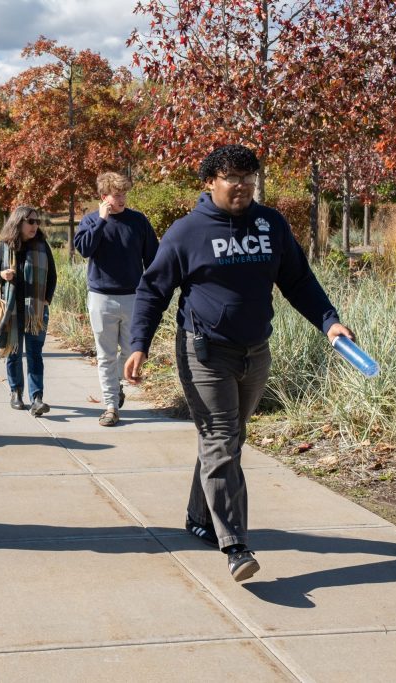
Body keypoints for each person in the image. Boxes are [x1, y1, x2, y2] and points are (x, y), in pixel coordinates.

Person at [124, 144, 356, 582]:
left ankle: (198, 516)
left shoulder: (270, 224)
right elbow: (153, 291)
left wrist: (329, 322)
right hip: (205, 352)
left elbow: (297, 279)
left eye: (250, 176)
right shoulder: (186, 232)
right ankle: (234, 544)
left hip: (256, 351)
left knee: (227, 442)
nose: (244, 185)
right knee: (220, 438)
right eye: (233, 176)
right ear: (210, 181)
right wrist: (139, 344)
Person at [74, 172, 159, 427]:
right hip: (101, 297)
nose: (122, 199)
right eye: (116, 195)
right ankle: (111, 406)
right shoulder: (90, 221)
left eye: (124, 194)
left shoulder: (138, 221)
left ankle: (117, 382)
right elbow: (85, 249)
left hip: (134, 297)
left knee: (134, 351)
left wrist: (151, 290)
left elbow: (153, 258)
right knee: (105, 355)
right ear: (104, 197)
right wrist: (101, 221)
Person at [0, 206, 56, 416]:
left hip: (35, 311)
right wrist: (2, 275)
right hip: (12, 310)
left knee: (35, 355)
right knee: (14, 353)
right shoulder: (5, 246)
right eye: (30, 221)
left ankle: (37, 398)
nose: (35, 225)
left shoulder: (42, 246)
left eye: (37, 221)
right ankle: (16, 392)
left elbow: (52, 276)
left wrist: (46, 300)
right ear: (18, 223)